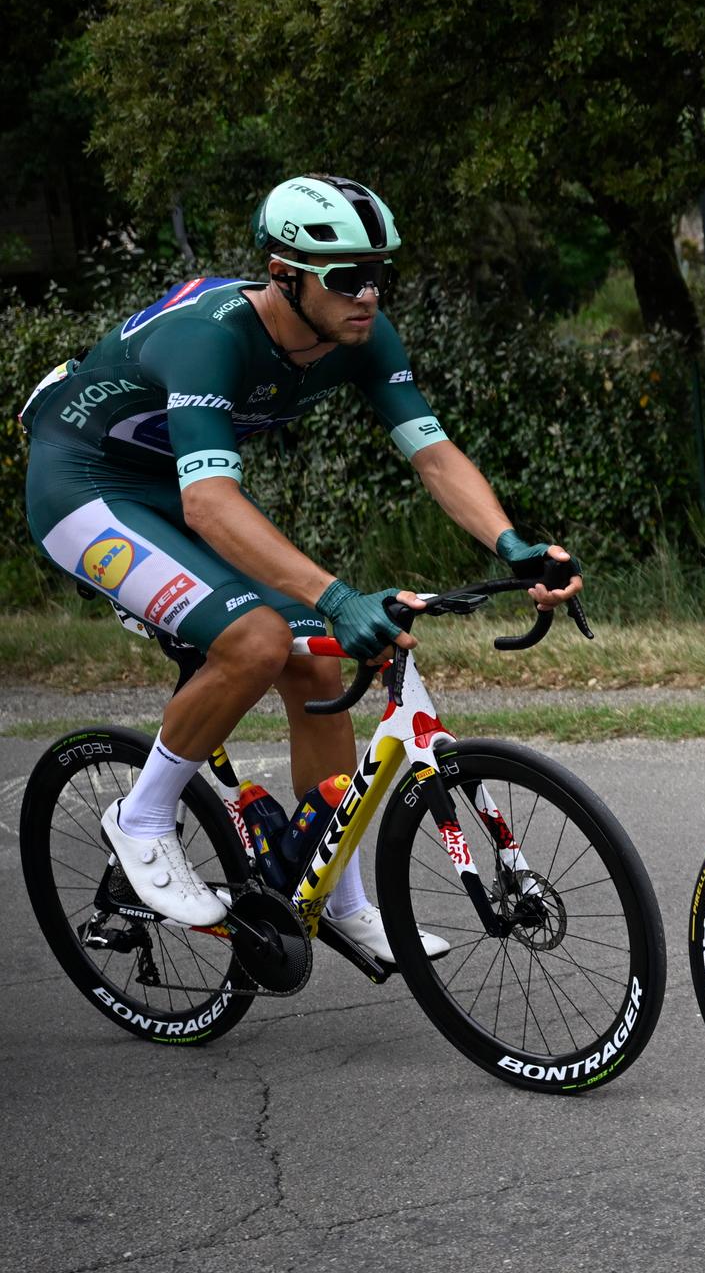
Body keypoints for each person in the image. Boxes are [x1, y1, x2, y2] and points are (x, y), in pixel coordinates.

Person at [19, 174, 581, 961]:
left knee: (320, 672)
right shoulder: (211, 337)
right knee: (254, 640)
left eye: (379, 274)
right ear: (284, 276)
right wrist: (337, 593)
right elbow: (213, 504)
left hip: (173, 490)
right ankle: (140, 821)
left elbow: (433, 453)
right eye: (346, 277)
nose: (369, 294)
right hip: (84, 483)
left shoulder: (361, 335)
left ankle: (338, 893)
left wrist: (511, 543)